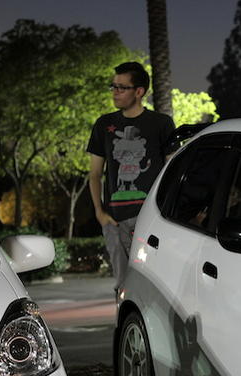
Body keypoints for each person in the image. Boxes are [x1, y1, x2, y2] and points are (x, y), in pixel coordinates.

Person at [87, 61, 175, 289]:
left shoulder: (161, 124)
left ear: (139, 91)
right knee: (123, 286)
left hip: (150, 219)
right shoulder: (104, 124)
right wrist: (99, 213)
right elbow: (95, 174)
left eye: (122, 87)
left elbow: (172, 171)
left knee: (155, 284)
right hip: (114, 220)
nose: (115, 92)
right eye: (113, 86)